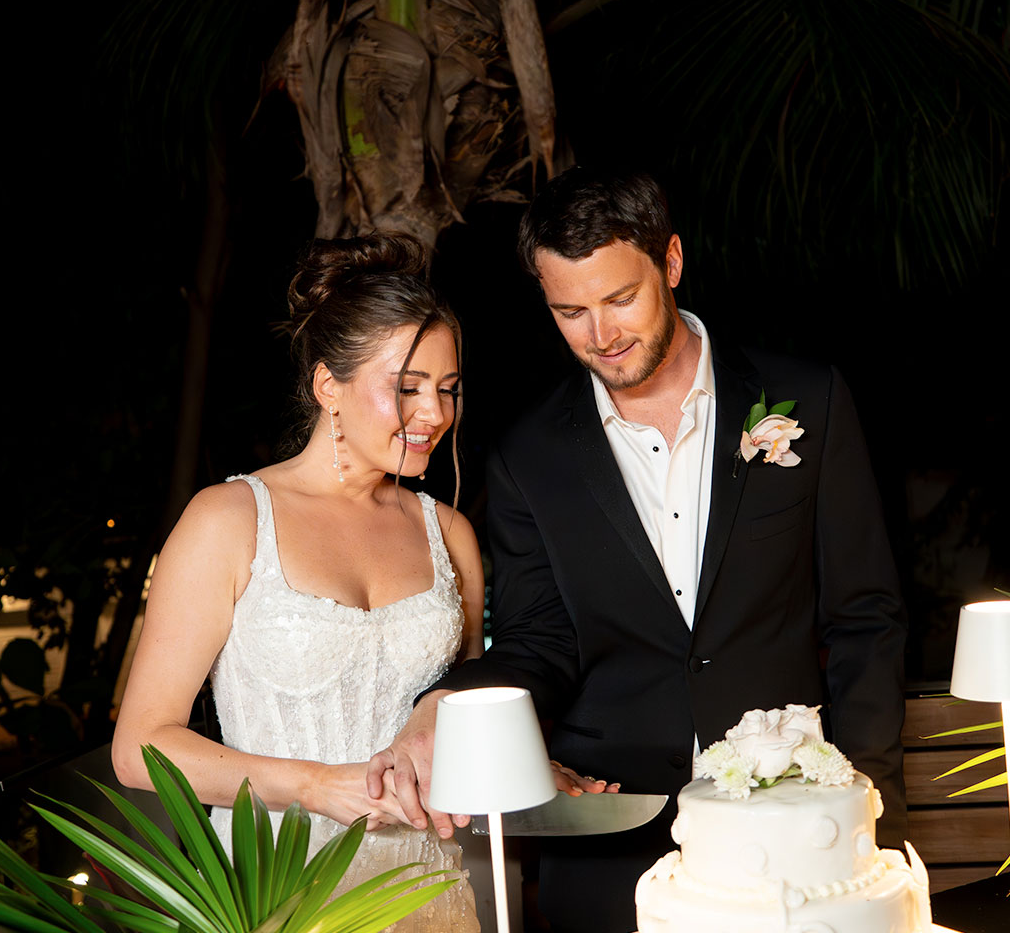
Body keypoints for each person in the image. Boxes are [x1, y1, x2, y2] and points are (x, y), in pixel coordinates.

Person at [367, 168, 908, 933]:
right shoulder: (528, 454)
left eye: (621, 298)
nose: (602, 334)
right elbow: (540, 639)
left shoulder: (808, 398)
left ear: (672, 263)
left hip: (794, 816)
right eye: (571, 311)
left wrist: (864, 800)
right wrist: (444, 703)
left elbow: (865, 617)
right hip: (609, 833)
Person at [112, 233, 483, 933]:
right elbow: (140, 748)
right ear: (327, 387)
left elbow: (458, 717)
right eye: (406, 388)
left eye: (447, 389)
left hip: (425, 892)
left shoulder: (449, 534)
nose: (434, 414)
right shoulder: (229, 521)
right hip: (276, 893)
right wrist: (315, 786)